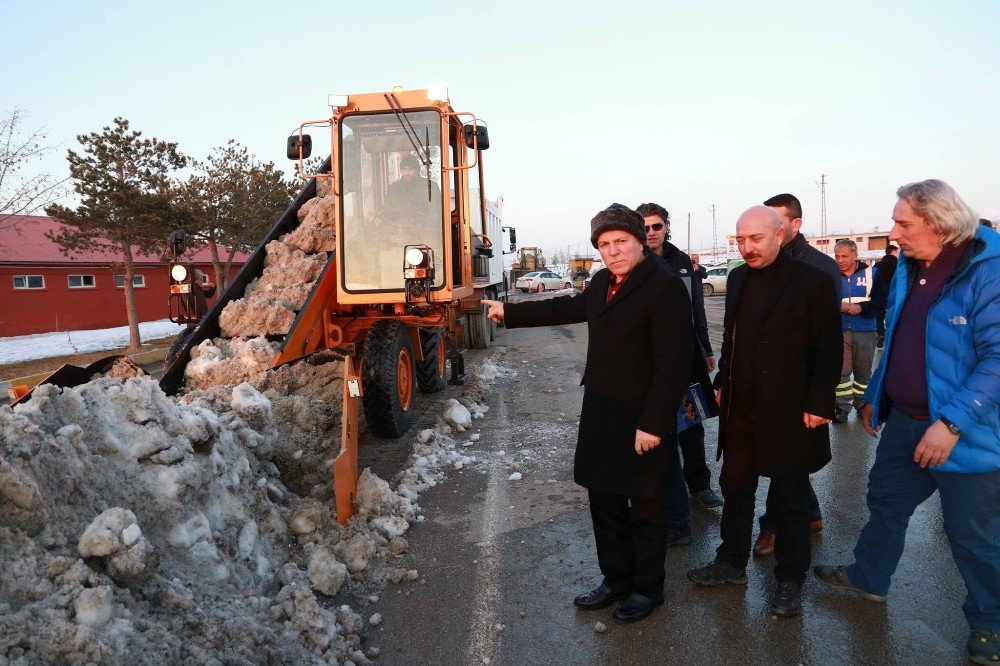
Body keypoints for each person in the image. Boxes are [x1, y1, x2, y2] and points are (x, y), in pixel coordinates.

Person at [814, 179, 1000, 665]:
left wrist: (952, 423)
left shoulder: (989, 269)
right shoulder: (908, 268)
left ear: (939, 224)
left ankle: (991, 624)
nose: (893, 232)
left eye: (903, 223)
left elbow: (998, 358)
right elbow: (897, 334)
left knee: (973, 535)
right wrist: (877, 393)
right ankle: (870, 577)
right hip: (906, 423)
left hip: (967, 432)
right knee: (886, 503)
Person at [482, 204, 692, 624]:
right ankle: (615, 579)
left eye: (621, 242)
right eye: (604, 245)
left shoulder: (664, 286)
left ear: (640, 243)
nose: (613, 252)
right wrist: (511, 311)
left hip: (643, 416)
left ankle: (648, 589)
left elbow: (674, 364)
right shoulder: (601, 282)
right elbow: (566, 309)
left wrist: (653, 423)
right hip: (602, 408)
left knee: (647, 505)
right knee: (604, 498)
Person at [687, 206, 841, 617]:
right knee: (736, 489)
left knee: (790, 500)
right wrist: (722, 381)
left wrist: (819, 401)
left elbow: (828, 347)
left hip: (791, 411)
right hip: (742, 409)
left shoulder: (813, 281)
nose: (747, 248)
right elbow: (733, 339)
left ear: (780, 235)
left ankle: (790, 579)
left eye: (755, 239)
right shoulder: (737, 278)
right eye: (740, 240)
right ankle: (731, 561)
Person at [751, 193, 841, 557]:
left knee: (787, 461)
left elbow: (826, 339)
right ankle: (812, 513)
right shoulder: (759, 266)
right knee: (786, 461)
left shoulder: (819, 268)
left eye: (776, 222)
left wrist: (819, 396)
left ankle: (772, 527)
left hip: (800, 388)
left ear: (794, 224)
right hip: (768, 385)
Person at [635, 202, 723, 551]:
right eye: (645, 227)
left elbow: (695, 309)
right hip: (653, 362)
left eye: (657, 226)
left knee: (692, 423)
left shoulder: (681, 262)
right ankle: (664, 502)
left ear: (666, 227)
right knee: (660, 429)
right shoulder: (636, 261)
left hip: (687, 357)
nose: (651, 232)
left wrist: (705, 349)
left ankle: (699, 485)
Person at [833, 240, 888, 423]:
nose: (840, 260)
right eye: (837, 256)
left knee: (863, 372)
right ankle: (842, 407)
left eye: (844, 256)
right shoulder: (831, 276)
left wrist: (861, 308)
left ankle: (862, 405)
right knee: (841, 372)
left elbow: (882, 301)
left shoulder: (872, 274)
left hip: (865, 330)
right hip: (840, 331)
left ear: (855, 255)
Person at [873, 245, 899, 347]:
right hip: (895, 293)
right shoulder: (899, 265)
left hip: (880, 294)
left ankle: (880, 334)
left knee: (879, 316)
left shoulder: (877, 266)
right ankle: (893, 337)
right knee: (894, 315)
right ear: (893, 252)